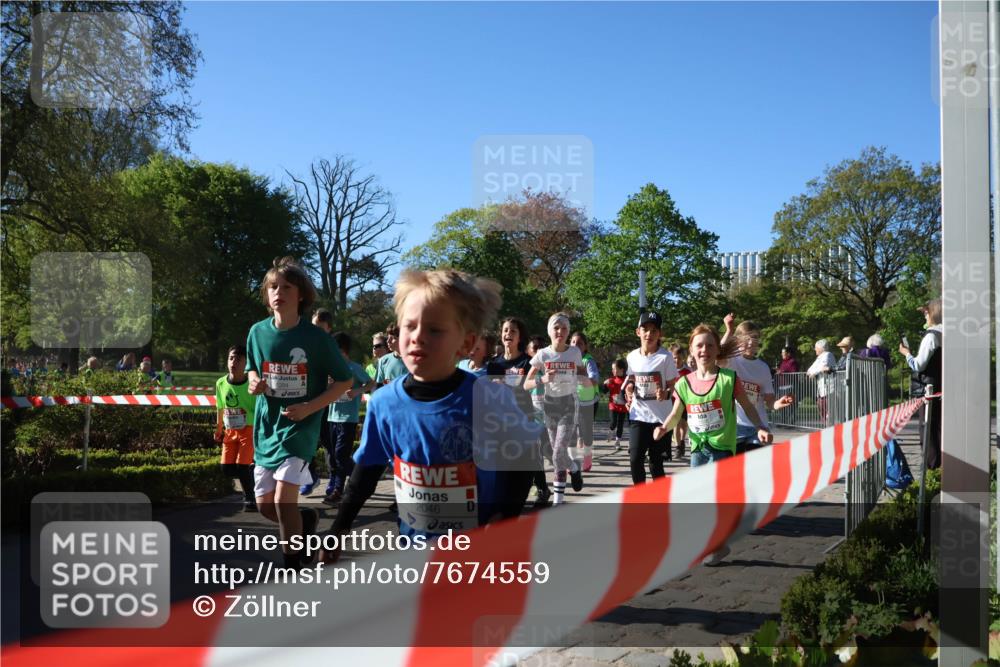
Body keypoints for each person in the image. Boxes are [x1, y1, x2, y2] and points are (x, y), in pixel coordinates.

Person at [320, 269, 540, 560]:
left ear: (466, 343)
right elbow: (365, 474)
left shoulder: (491, 398)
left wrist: (504, 518)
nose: (417, 337)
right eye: (409, 326)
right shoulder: (384, 403)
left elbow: (524, 456)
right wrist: (338, 529)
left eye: (434, 330)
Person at [246, 256, 353, 569]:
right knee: (267, 507)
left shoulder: (317, 339)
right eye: (273, 287)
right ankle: (306, 519)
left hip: (300, 428)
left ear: (301, 295)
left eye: (287, 287)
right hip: (268, 428)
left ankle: (293, 566)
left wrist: (309, 408)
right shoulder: (257, 332)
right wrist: (254, 382)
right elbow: (252, 368)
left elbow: (345, 380)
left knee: (283, 501)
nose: (278, 292)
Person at [653, 323, 773, 565]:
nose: (704, 350)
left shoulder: (728, 379)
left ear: (718, 349)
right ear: (691, 349)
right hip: (698, 449)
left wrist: (761, 427)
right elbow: (676, 413)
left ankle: (712, 543)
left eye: (710, 345)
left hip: (722, 448)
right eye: (699, 345)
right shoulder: (684, 383)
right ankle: (716, 545)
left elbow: (748, 406)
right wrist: (664, 428)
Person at [524, 313, 587, 505]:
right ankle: (574, 468)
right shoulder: (542, 354)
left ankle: (558, 501)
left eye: (564, 328)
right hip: (550, 406)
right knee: (557, 453)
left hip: (569, 404)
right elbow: (526, 384)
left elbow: (583, 375)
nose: (560, 331)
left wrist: (582, 381)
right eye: (556, 328)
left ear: (568, 332)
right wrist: (542, 379)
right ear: (549, 331)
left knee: (559, 451)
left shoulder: (574, 353)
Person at [488, 317, 550, 508]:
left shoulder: (527, 362)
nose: (508, 334)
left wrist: (506, 385)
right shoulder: (494, 364)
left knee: (527, 463)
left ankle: (540, 489)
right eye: (505, 330)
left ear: (519, 337)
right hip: (500, 422)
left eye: (513, 331)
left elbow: (530, 386)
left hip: (524, 419)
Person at [719, 317, 794, 454]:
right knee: (736, 465)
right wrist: (729, 330)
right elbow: (717, 355)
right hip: (736, 425)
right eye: (746, 338)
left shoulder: (763, 367)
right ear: (738, 340)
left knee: (755, 465)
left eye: (754, 338)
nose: (750, 342)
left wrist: (778, 403)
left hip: (758, 426)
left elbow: (769, 400)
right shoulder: (731, 361)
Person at [622, 312, 679, 484]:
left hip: (660, 419)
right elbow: (631, 378)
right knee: (635, 459)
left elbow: (673, 385)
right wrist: (629, 387)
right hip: (638, 415)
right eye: (645, 329)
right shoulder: (632, 357)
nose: (649, 334)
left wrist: (665, 393)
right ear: (638, 332)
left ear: (660, 334)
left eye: (654, 330)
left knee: (656, 464)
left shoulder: (665, 357)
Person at [323, 332, 376, 504]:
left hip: (348, 418)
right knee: (335, 456)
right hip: (332, 417)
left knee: (340, 454)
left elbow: (371, 383)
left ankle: (338, 491)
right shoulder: (332, 369)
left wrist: (357, 391)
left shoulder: (354, 368)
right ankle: (359, 477)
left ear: (343, 350)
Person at [899, 298, 942, 470]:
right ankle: (940, 467)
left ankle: (931, 468)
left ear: (934, 313)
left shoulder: (931, 336)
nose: (925, 315)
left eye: (926, 312)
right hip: (943, 386)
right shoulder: (949, 334)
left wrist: (906, 354)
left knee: (928, 429)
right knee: (939, 428)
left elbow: (918, 365)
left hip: (930, 389)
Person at [214, 345, 257, 511]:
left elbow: (258, 410)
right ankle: (253, 473)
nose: (234, 362)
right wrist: (219, 429)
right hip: (230, 431)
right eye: (231, 358)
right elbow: (220, 407)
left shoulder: (251, 384)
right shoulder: (220, 383)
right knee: (226, 468)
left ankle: (250, 499)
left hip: (249, 429)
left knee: (242, 466)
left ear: (246, 363)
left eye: (238, 359)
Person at [301, 308, 337, 496]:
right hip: (308, 400)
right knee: (304, 440)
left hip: (327, 402)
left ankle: (335, 479)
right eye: (314, 327)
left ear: (329, 329)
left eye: (320, 328)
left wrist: (333, 380)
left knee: (328, 442)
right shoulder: (305, 344)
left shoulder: (333, 347)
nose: (316, 332)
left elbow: (345, 374)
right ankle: (310, 477)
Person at [524, 335, 554, 507]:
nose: (538, 351)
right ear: (528, 351)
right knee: (536, 456)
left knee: (551, 454)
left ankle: (572, 470)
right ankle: (542, 489)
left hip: (551, 419)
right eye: (534, 348)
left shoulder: (551, 368)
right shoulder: (526, 370)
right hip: (533, 420)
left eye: (541, 348)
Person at [570, 331, 599, 472]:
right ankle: (572, 461)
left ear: (585, 347)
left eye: (580, 343)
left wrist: (583, 378)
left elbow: (594, 379)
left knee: (586, 432)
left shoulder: (588, 361)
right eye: (573, 342)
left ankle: (587, 457)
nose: (576, 345)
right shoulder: (566, 360)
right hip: (570, 400)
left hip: (587, 402)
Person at [668, 343, 691, 458]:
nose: (676, 360)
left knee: (683, 424)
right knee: (676, 423)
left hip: (685, 401)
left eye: (679, 358)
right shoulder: (669, 371)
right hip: (673, 402)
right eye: (674, 358)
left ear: (683, 358)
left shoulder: (688, 371)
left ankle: (682, 441)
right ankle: (677, 447)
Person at [806, 340, 837, 426]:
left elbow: (822, 367)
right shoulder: (819, 357)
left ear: (821, 348)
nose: (815, 349)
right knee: (821, 406)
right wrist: (813, 372)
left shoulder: (828, 354)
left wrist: (814, 372)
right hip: (821, 388)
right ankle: (826, 426)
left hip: (829, 388)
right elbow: (810, 370)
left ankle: (830, 426)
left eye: (816, 348)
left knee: (828, 409)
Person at [603, 359, 629, 451]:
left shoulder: (627, 380)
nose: (613, 371)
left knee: (620, 424)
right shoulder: (612, 380)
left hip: (623, 407)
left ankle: (617, 442)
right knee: (613, 422)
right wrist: (604, 384)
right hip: (613, 406)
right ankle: (611, 431)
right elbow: (604, 391)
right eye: (612, 369)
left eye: (615, 369)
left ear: (622, 369)